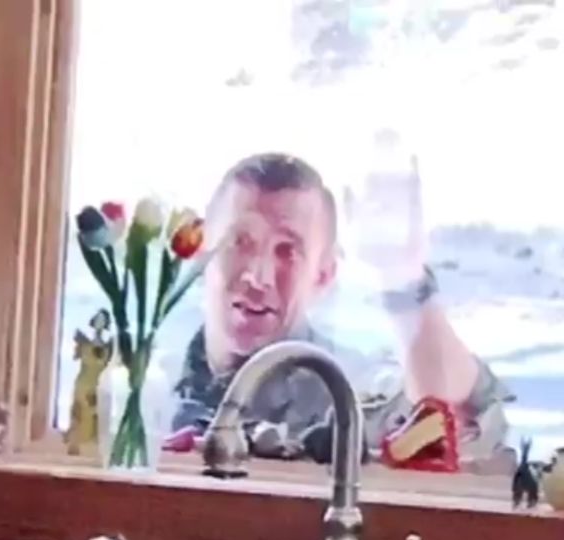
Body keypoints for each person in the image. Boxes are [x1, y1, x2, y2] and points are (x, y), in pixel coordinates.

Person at [170, 151, 511, 467]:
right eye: (239, 241)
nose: (257, 277)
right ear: (202, 250)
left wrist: (404, 279)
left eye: (287, 250)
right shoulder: (147, 384)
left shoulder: (343, 395)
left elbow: (456, 418)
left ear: (323, 275)